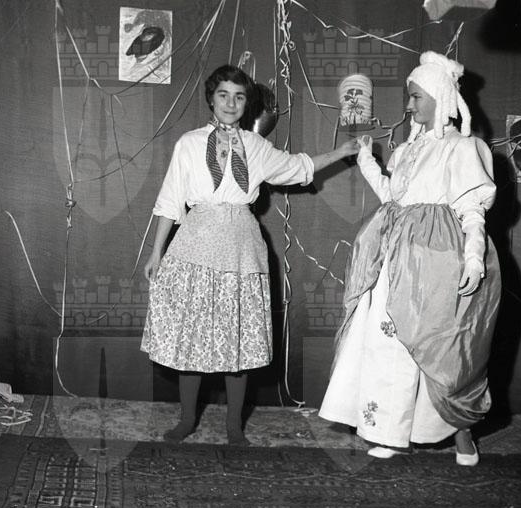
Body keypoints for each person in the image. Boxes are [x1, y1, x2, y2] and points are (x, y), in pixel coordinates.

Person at [141, 64, 359, 446]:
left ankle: (234, 427)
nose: (231, 103)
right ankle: (187, 420)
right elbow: (170, 200)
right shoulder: (189, 144)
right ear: (211, 99)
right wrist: (156, 252)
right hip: (195, 246)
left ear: (247, 104)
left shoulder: (256, 147)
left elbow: (297, 167)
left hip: (242, 250)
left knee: (238, 340)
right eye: (223, 95)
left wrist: (341, 152)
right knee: (193, 338)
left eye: (239, 97)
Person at [318, 51, 501, 465]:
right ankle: (389, 431)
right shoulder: (405, 151)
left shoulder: (462, 149)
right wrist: (367, 161)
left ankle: (461, 431)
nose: (409, 104)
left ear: (440, 97)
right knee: (387, 342)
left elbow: (472, 209)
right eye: (409, 96)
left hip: (436, 260)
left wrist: (474, 258)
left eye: (416, 96)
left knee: (440, 349)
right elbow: (393, 198)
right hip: (393, 258)